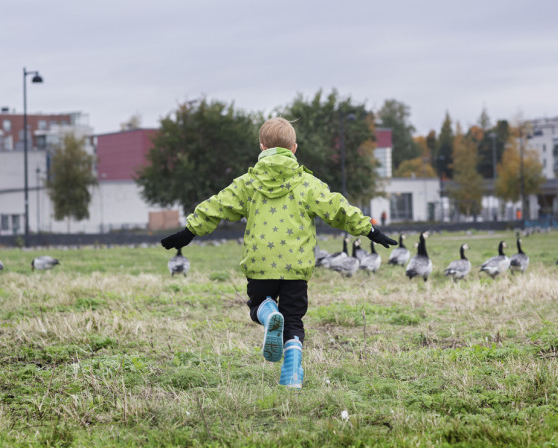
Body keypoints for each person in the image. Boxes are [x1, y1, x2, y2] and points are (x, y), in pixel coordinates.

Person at [160, 117, 397, 389]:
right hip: (296, 268)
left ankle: (268, 312)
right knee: (294, 319)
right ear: (293, 148)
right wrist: (370, 231)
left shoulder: (248, 183)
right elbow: (337, 208)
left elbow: (218, 205)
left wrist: (188, 232)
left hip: (261, 265)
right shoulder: (307, 183)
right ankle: (293, 373)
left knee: (257, 305)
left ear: (262, 147)